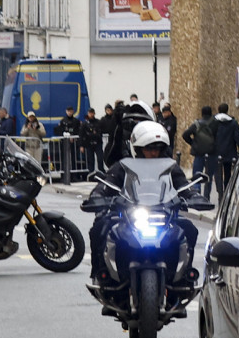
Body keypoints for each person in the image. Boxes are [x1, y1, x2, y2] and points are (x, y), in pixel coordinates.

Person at [84, 121, 202, 285]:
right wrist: (98, 195)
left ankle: (184, 275)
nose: (154, 152)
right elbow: (106, 184)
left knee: (189, 229)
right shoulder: (123, 166)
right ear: (138, 149)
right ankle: (100, 273)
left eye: (157, 148)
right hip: (129, 214)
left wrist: (193, 195)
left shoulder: (170, 167)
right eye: (149, 148)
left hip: (164, 214)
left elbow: (183, 185)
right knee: (100, 227)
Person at [103, 99, 154, 168]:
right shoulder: (123, 139)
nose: (136, 125)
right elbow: (110, 160)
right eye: (132, 121)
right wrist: (116, 126)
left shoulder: (155, 141)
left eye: (140, 122)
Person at [181, 105, 218, 197]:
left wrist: (193, 143)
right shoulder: (215, 123)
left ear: (202, 113)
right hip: (211, 152)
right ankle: (207, 195)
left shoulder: (196, 124)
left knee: (197, 175)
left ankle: (197, 194)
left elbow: (185, 134)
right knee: (209, 175)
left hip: (199, 153)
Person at [213, 103, 239, 195]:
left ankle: (219, 191)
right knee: (227, 173)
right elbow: (237, 136)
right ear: (227, 110)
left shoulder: (213, 122)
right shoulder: (233, 122)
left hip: (216, 151)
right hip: (229, 151)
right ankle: (226, 191)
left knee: (217, 172)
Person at [81, 108, 104, 173]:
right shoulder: (85, 123)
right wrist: (81, 145)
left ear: (94, 113)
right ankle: (91, 172)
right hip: (89, 143)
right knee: (90, 160)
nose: (91, 114)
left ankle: (101, 171)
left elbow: (100, 132)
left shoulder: (98, 122)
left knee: (100, 158)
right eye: (89, 113)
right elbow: (82, 134)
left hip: (98, 143)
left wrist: (93, 134)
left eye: (92, 113)